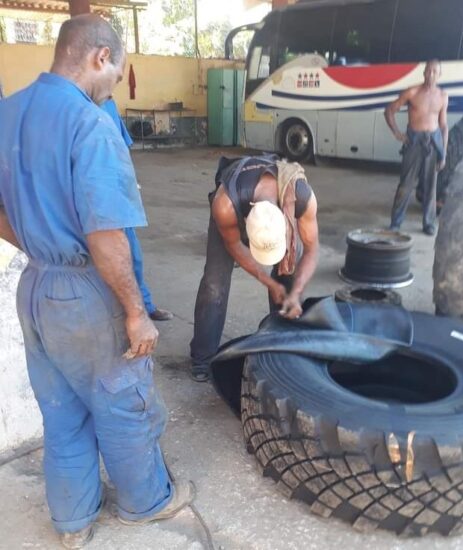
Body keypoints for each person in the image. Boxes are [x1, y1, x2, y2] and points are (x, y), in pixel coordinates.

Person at [0, 15, 194, 549]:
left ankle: (73, 522)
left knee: (61, 410)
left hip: (35, 286)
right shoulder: (90, 124)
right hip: (84, 292)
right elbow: (106, 235)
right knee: (122, 400)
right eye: (116, 75)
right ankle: (146, 503)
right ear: (99, 58)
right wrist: (135, 311)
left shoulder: (8, 111)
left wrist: (42, 247)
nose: (112, 89)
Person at [190, 155, 319, 382]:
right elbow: (233, 245)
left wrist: (295, 293)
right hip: (236, 199)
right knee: (214, 283)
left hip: (279, 205)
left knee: (289, 275)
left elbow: (311, 250)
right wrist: (268, 281)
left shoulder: (300, 196)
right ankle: (203, 358)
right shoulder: (225, 205)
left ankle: (281, 344)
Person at [101, 98, 173, 322]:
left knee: (133, 255)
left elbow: (123, 148)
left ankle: (144, 305)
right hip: (95, 196)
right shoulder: (74, 107)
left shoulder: (108, 104)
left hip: (118, 191)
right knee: (103, 257)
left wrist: (130, 181)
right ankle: (120, 312)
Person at [385, 59, 449, 236]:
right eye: (428, 71)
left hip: (433, 141)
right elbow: (389, 110)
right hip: (413, 141)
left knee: (430, 187)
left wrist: (443, 153)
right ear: (423, 73)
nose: (431, 75)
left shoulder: (443, 96)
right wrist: (398, 133)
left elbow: (443, 126)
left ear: (439, 75)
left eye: (435, 72)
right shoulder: (412, 92)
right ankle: (396, 223)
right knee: (405, 184)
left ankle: (428, 223)